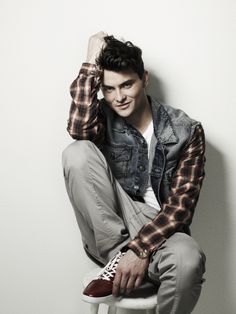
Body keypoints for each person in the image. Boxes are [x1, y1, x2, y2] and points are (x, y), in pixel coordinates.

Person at [62, 31, 206, 314]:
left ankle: (126, 260)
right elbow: (77, 130)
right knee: (77, 152)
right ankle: (118, 259)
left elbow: (180, 209)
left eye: (127, 85)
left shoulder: (186, 130)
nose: (119, 97)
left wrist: (140, 248)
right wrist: (91, 61)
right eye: (110, 89)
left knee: (189, 259)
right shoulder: (102, 116)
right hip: (111, 222)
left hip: (161, 230)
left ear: (145, 78)